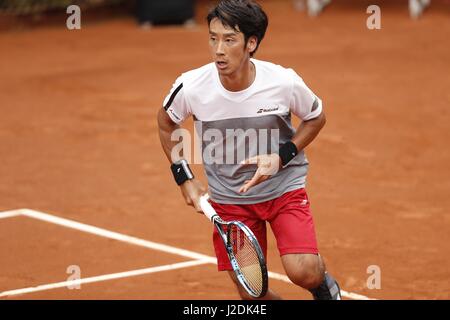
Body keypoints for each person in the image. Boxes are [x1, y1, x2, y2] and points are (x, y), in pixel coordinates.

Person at [157, 0, 341, 300]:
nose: (218, 49)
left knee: (303, 271)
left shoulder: (283, 81)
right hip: (231, 202)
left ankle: (323, 285)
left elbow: (316, 117)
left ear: (251, 43)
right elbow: (166, 123)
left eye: (229, 40)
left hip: (283, 189)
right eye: (213, 37)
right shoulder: (191, 86)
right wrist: (184, 177)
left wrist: (280, 157)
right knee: (253, 292)